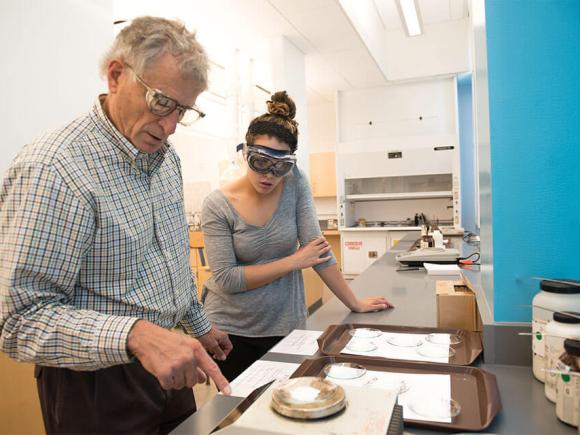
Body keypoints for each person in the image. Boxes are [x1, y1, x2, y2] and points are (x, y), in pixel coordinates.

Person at [0, 16, 233, 434]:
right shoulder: (55, 168)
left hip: (169, 363)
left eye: (183, 110)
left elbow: (169, 263)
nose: (169, 126)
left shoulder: (166, 160)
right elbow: (19, 320)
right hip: (93, 385)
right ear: (116, 75)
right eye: (162, 103)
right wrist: (135, 335)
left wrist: (198, 324)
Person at [201, 91, 394, 381]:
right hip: (231, 330)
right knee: (241, 414)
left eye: (281, 166)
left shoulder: (295, 182)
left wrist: (354, 303)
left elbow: (317, 252)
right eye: (260, 162)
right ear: (245, 154)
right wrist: (293, 261)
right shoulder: (217, 204)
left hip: (284, 324)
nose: (269, 175)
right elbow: (227, 278)